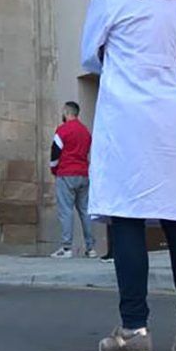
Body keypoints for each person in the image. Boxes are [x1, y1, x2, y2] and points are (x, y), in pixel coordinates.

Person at [81, 0, 176, 351]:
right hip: (170, 114)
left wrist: (118, 64)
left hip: (128, 115)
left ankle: (134, 329)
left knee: (127, 215)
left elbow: (88, 55)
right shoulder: (174, 0)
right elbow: (172, 49)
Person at [51, 101, 97, 258]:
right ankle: (90, 248)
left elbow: (55, 153)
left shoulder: (62, 130)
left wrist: (54, 169)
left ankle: (66, 248)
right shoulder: (85, 132)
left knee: (66, 211)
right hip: (83, 173)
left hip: (66, 173)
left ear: (65, 112)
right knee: (85, 211)